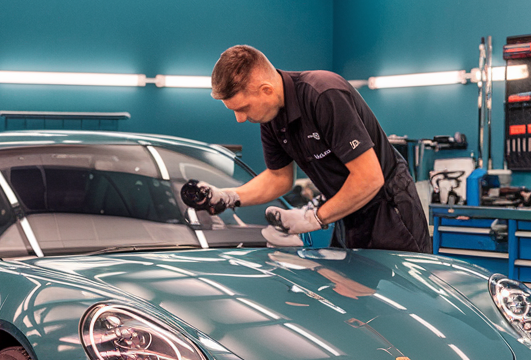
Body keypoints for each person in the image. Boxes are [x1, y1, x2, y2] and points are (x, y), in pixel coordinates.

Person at [180, 45, 430, 252]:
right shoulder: (271, 117)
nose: (240, 119)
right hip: (347, 213)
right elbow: (279, 178)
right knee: (355, 305)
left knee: (406, 301)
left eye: (242, 108)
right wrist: (229, 197)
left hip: (390, 210)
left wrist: (312, 218)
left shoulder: (324, 94)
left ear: (267, 90)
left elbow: (369, 178)